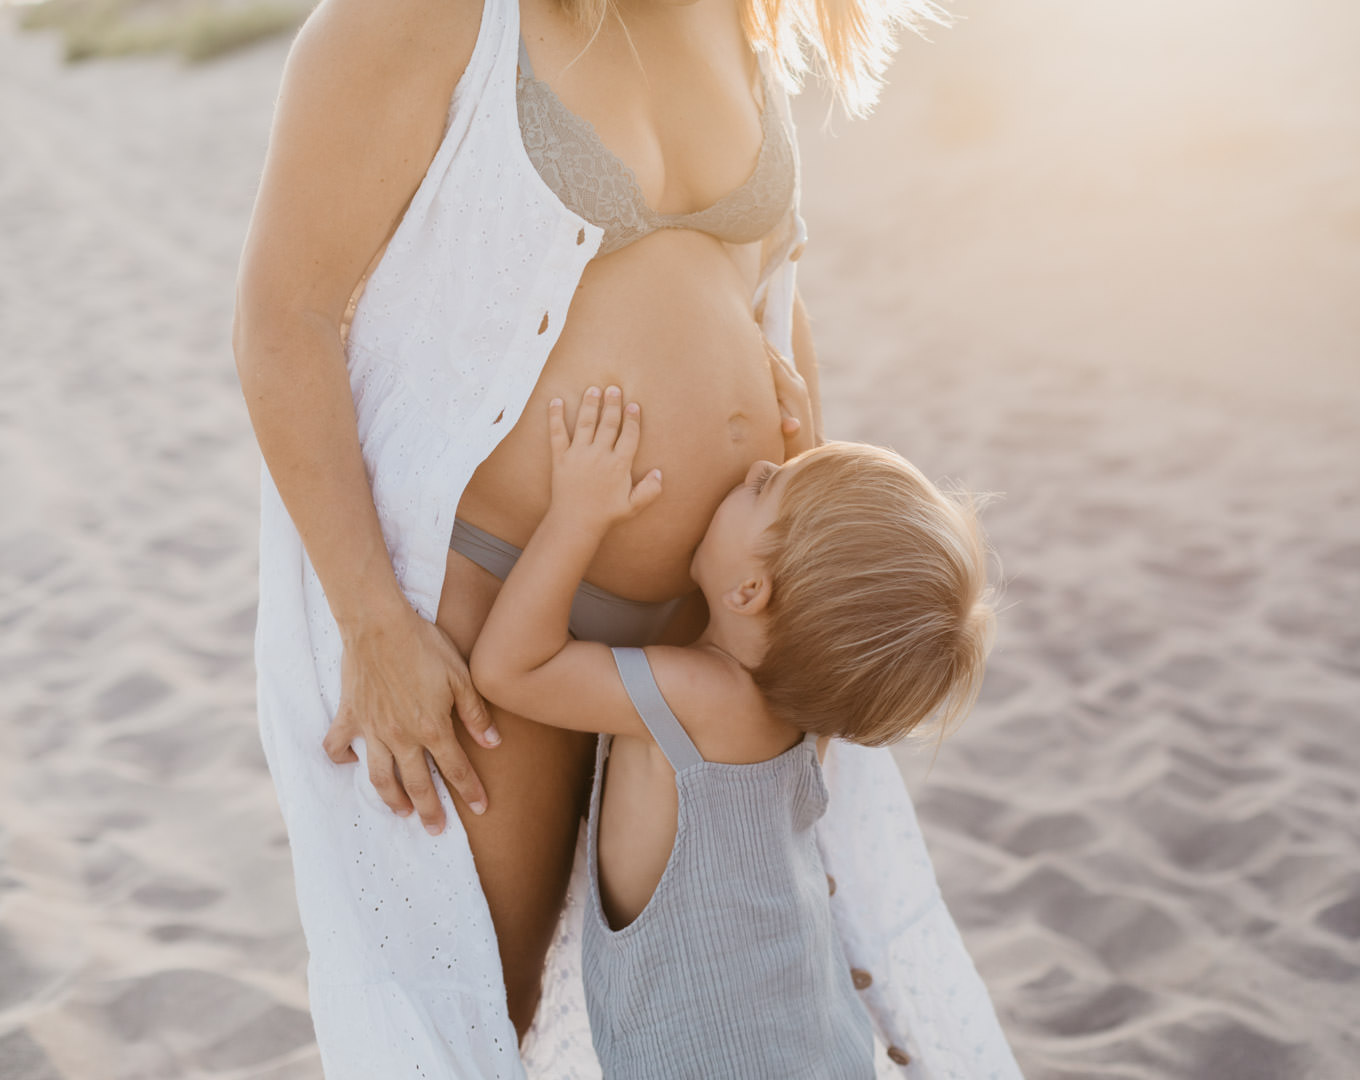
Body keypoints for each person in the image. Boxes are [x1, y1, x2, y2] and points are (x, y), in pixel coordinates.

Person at [233, 0, 1025, 1071]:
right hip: (491, 592)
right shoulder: (425, 19)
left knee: (724, 990)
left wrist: (805, 487)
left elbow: (766, 287)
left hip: (725, 624)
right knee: (470, 1013)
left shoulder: (738, 18)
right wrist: (372, 620)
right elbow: (285, 317)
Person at [469, 382, 993, 1076]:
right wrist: (798, 475)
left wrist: (577, 516)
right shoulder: (806, 720)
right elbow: (822, 604)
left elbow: (511, 669)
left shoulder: (704, 699)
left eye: (767, 485)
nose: (756, 467)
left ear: (750, 592)